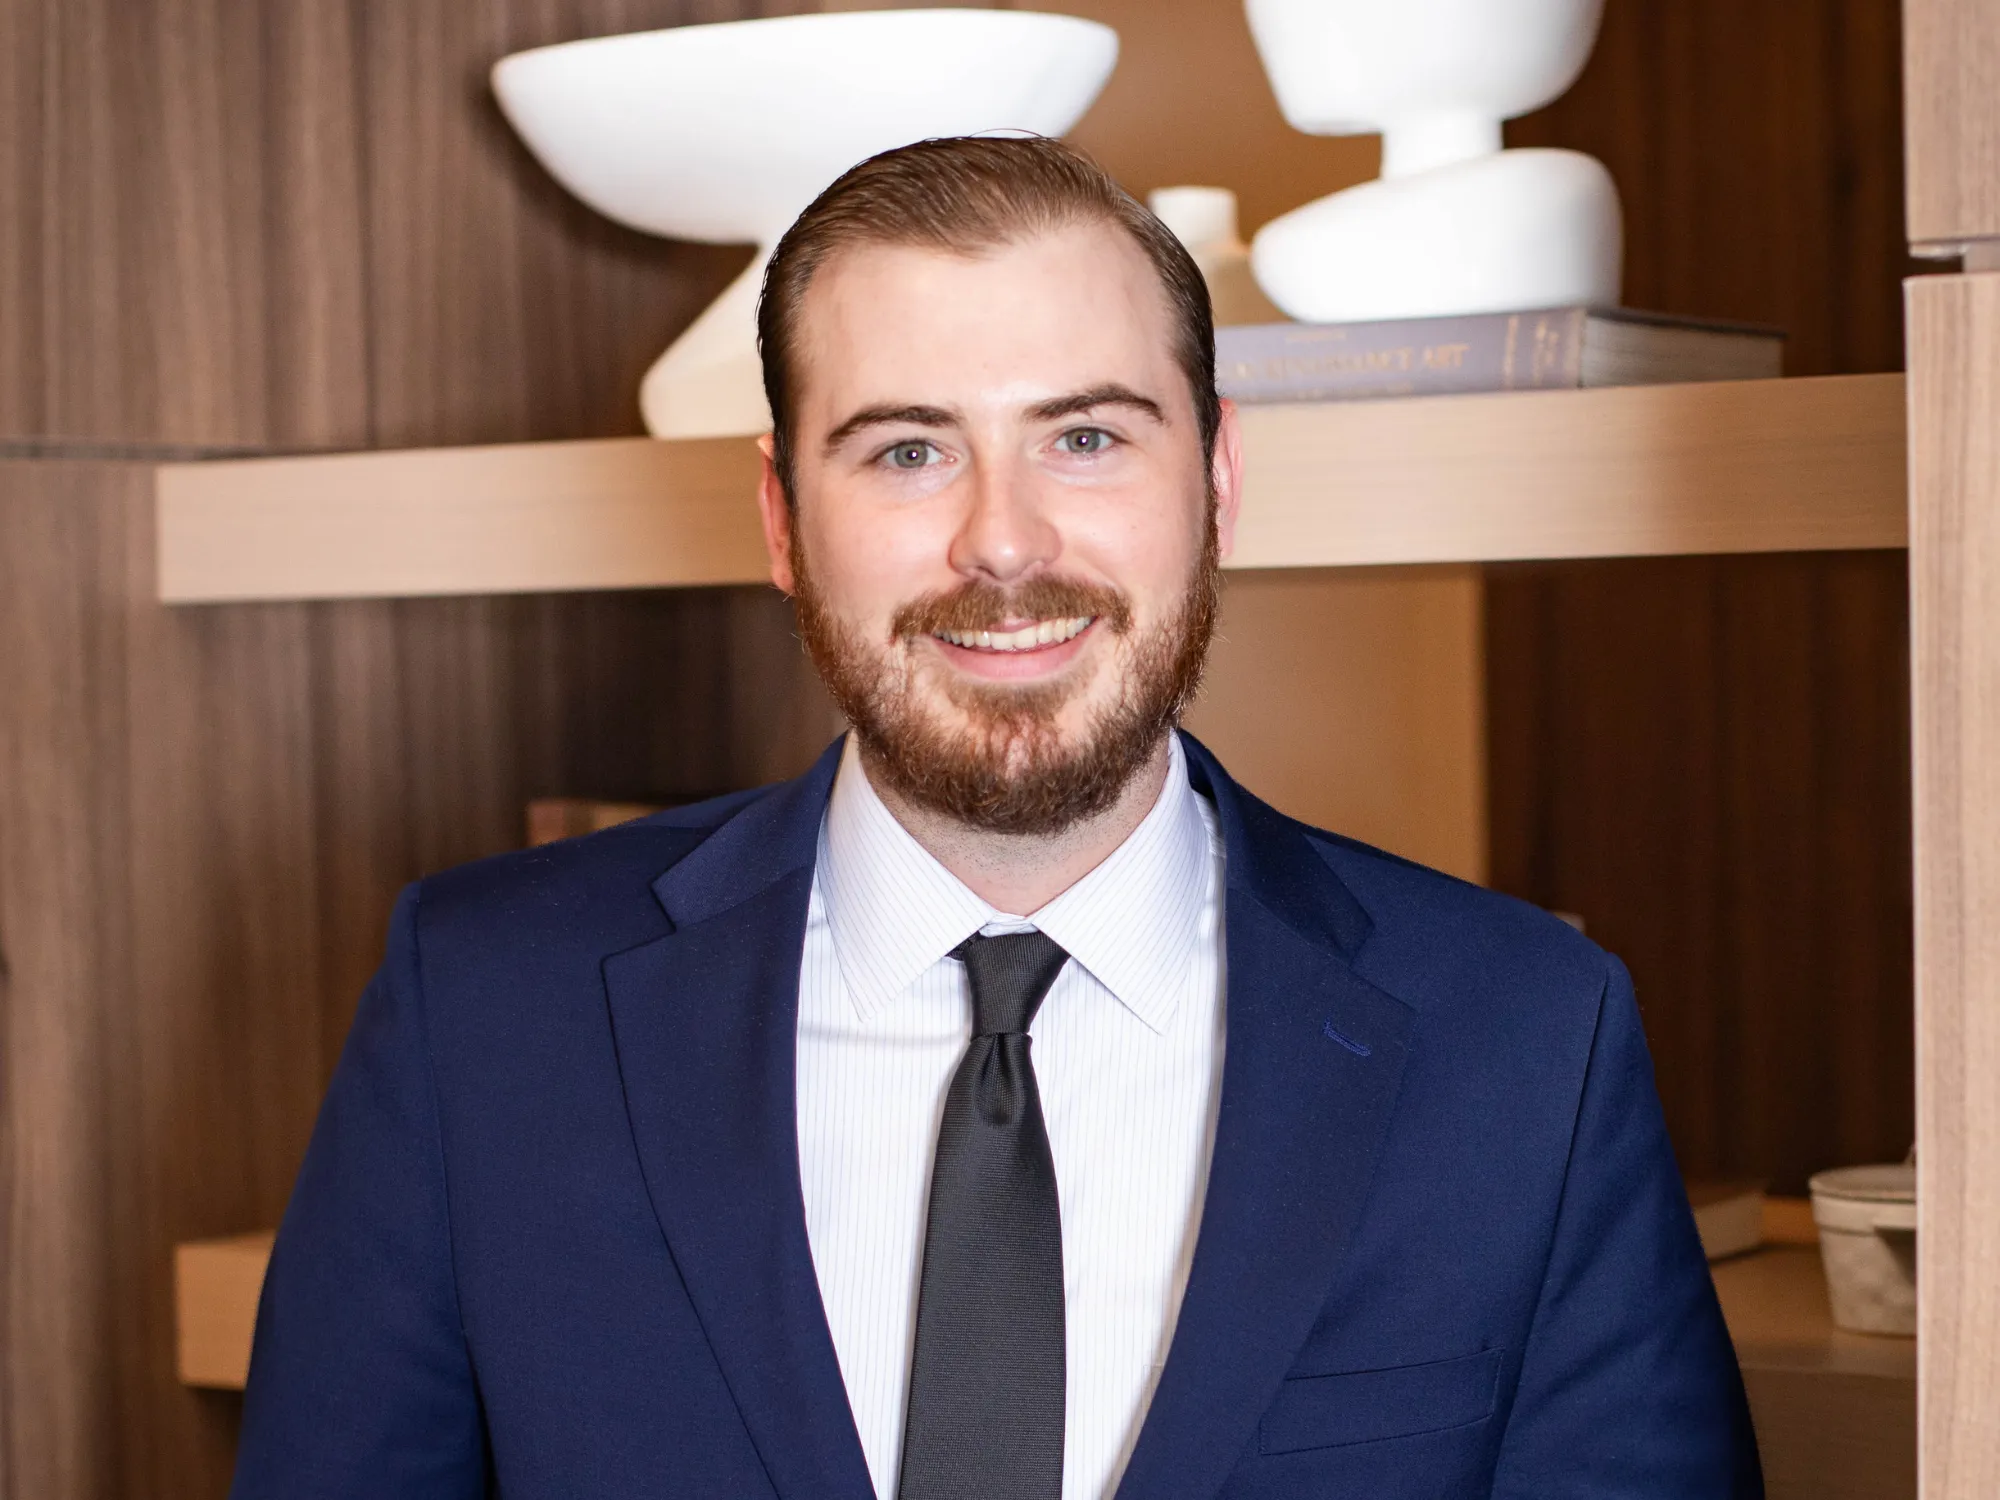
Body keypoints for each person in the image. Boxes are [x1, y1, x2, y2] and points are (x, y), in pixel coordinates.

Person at [232, 135, 1761, 1500]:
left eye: (1086, 436)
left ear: (1218, 480)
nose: (1005, 540)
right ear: (781, 518)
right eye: (908, 450)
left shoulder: (1526, 1039)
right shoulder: (483, 1006)